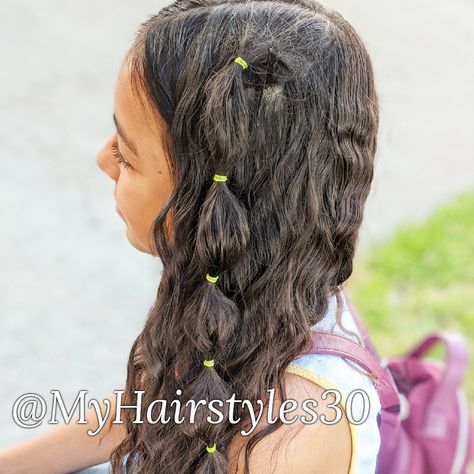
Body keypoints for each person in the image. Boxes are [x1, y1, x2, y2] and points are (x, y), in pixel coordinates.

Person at [0, 0, 384, 472]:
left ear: (212, 199)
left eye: (127, 155)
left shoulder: (289, 436)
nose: (103, 159)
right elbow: (146, 408)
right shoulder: (242, 281)